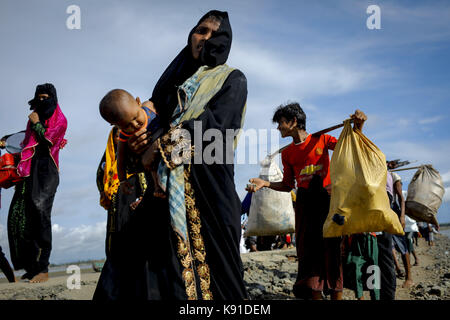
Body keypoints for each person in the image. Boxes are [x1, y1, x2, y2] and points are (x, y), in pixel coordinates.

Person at [117, 10, 248, 300]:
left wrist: (159, 146)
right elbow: (144, 140)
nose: (206, 38)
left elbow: (215, 128)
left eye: (216, 34)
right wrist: (141, 143)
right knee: (142, 273)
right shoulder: (169, 88)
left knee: (221, 282)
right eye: (201, 31)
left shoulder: (232, 79)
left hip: (210, 193)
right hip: (162, 194)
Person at [246, 102, 367, 300]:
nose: (278, 128)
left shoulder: (322, 140)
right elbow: (287, 185)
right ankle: (315, 293)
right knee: (309, 254)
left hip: (327, 202)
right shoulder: (287, 153)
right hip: (305, 206)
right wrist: (265, 183)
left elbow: (351, 148)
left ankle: (337, 293)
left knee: (332, 251)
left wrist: (358, 127)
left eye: (281, 123)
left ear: (294, 122)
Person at [7, 83, 67, 283]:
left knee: (40, 212)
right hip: (29, 171)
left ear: (53, 98)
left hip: (47, 172)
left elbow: (48, 140)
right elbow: (27, 141)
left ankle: (44, 268)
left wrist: (36, 123)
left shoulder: (60, 119)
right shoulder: (33, 119)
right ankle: (31, 267)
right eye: (38, 98)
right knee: (22, 217)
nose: (42, 102)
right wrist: (8, 140)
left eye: (45, 97)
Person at [93, 127, 148, 300]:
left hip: (132, 200)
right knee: (115, 238)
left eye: (121, 135)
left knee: (133, 238)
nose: (119, 139)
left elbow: (144, 175)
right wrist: (104, 191)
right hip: (115, 206)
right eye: (116, 136)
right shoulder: (108, 158)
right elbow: (100, 176)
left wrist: (142, 196)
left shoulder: (136, 153)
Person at [99, 89, 163, 198]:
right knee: (151, 163)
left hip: (164, 143)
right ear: (115, 125)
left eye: (135, 117)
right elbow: (121, 159)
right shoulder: (123, 136)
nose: (135, 125)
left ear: (138, 102)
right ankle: (158, 187)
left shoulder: (150, 107)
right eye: (127, 125)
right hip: (150, 160)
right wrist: (123, 181)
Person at [388, 169, 413, 288]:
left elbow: (401, 199)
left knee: (402, 245)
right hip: (383, 212)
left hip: (394, 212)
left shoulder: (393, 175)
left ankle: (409, 277)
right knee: (389, 246)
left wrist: (402, 216)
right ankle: (395, 271)